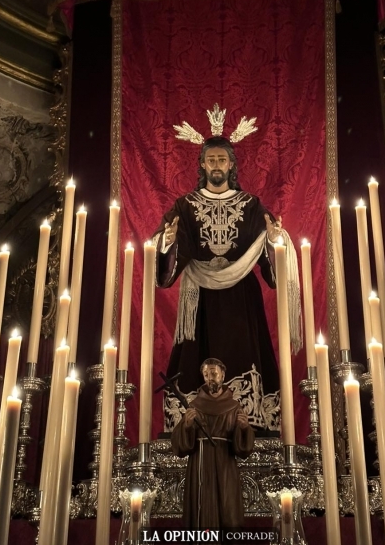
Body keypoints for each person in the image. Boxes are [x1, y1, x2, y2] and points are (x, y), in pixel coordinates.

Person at [154, 108, 300, 433]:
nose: (217, 165)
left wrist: (275, 240)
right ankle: (195, 424)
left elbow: (271, 247)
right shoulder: (185, 206)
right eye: (211, 160)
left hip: (240, 298)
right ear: (202, 165)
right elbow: (163, 249)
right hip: (200, 299)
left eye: (222, 160)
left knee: (242, 354)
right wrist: (167, 241)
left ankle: (247, 424)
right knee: (194, 360)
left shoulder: (250, 205)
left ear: (232, 165)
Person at [171, 358, 255, 528]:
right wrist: (187, 426)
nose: (210, 378)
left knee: (227, 509)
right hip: (200, 464)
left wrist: (244, 428)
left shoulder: (234, 407)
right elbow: (179, 446)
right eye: (206, 374)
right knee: (200, 508)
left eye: (213, 373)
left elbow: (243, 449)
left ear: (222, 375)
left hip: (225, 464)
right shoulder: (194, 406)